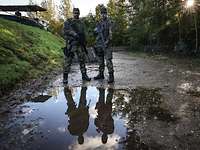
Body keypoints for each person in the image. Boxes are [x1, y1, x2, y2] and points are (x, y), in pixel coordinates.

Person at [63, 8, 91, 84]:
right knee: (68, 61)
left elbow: (84, 33)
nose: (76, 14)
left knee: (82, 60)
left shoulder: (81, 23)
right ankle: (65, 77)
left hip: (79, 45)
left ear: (79, 13)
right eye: (75, 13)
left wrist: (85, 41)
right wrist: (73, 34)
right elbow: (65, 31)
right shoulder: (68, 22)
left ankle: (84, 75)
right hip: (71, 44)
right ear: (73, 13)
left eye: (77, 13)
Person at [93, 6, 114, 83]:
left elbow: (111, 34)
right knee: (100, 61)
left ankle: (111, 76)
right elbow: (95, 31)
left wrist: (107, 41)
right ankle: (101, 74)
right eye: (102, 13)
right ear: (100, 14)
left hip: (107, 45)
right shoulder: (99, 23)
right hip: (99, 44)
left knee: (108, 60)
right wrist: (96, 30)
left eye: (104, 13)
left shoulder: (109, 22)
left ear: (106, 14)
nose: (103, 15)